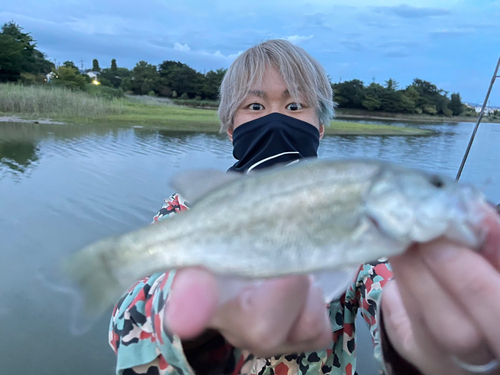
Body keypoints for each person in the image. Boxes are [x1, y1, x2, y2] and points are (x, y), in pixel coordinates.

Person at [109, 39, 500, 375]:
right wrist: (200, 323)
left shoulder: (365, 218)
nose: (277, 119)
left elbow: (385, 284)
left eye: (296, 105)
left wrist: (422, 333)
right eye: (256, 107)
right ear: (231, 128)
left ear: (321, 126)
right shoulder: (187, 208)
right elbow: (126, 325)